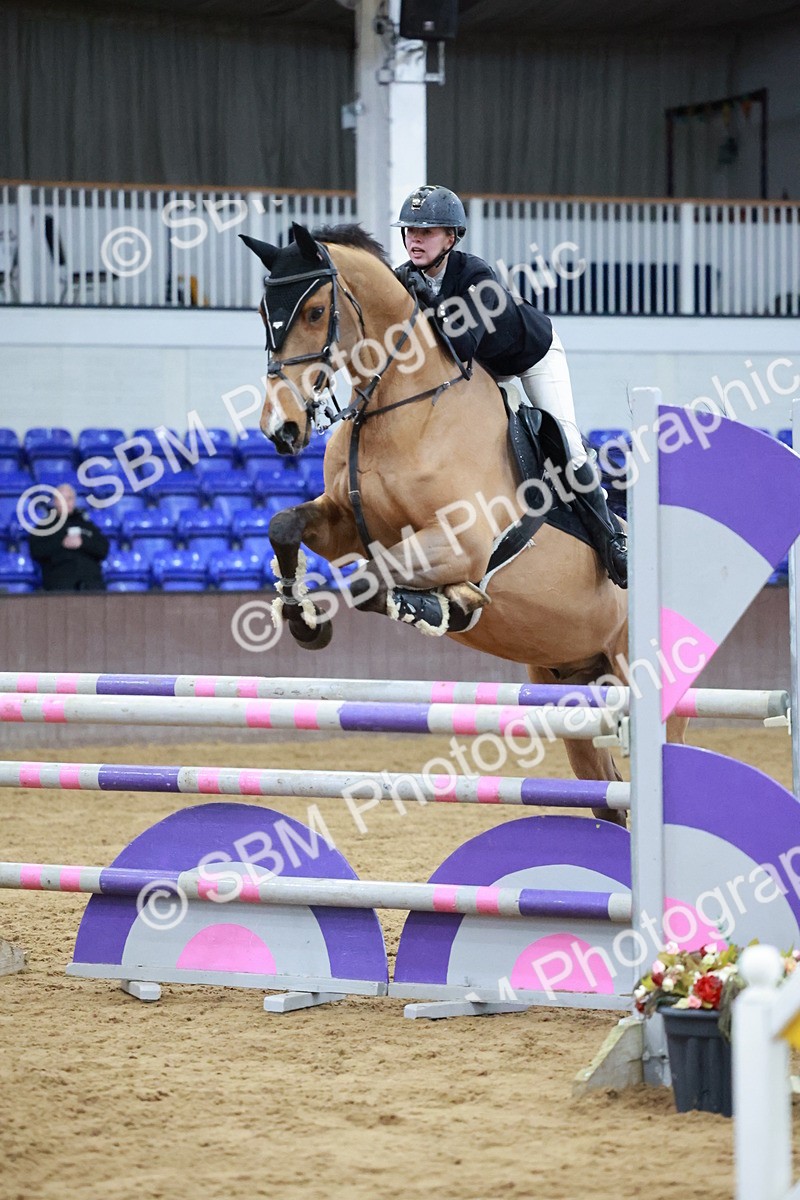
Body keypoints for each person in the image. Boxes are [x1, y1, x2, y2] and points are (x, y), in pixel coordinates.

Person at [393, 184, 627, 588]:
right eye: (411, 231)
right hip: (485, 369)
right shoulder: (404, 278)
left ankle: (613, 540)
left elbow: (460, 347)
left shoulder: (476, 276)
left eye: (426, 232)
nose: (415, 239)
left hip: (531, 356)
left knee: (568, 445)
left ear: (451, 238)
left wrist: (427, 303)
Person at [28, 483, 109, 591]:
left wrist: (82, 542)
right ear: (54, 501)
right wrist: (62, 543)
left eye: (69, 498)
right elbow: (36, 551)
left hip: (91, 587)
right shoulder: (44, 527)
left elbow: (103, 549)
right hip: (59, 587)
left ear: (74, 501)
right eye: (61, 499)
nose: (65, 502)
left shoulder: (87, 525)